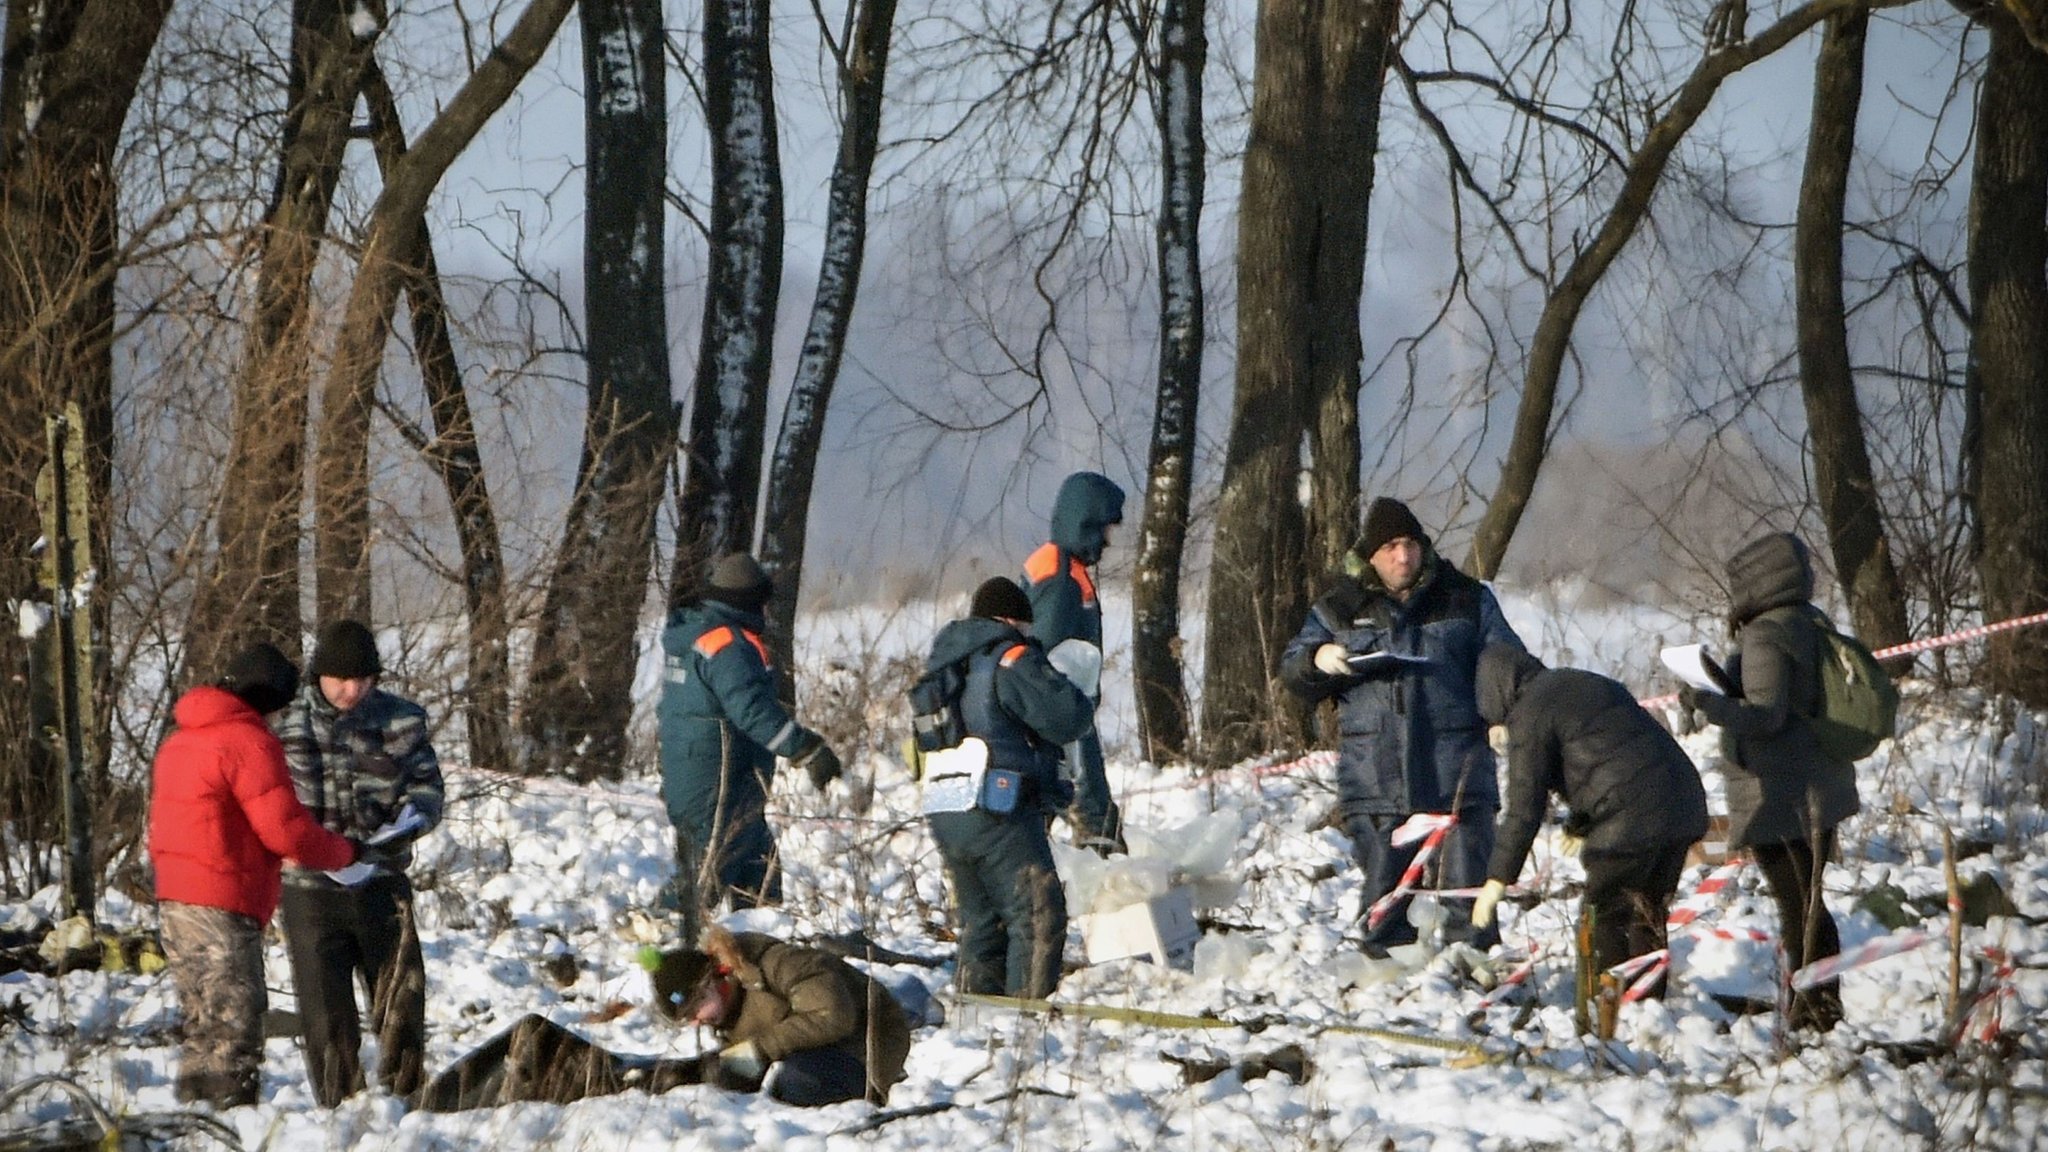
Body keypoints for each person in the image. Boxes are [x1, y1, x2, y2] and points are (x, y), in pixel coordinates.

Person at [1279, 497, 1527, 952]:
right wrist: (1319, 659)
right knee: (1385, 902)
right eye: (1391, 546)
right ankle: (1386, 977)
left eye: (1410, 544)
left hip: (1458, 769)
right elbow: (1292, 668)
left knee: (1469, 898)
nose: (1403, 556)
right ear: (1370, 554)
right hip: (1375, 772)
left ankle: (1472, 969)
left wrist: (1502, 711)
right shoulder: (1337, 608)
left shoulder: (1467, 597)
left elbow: (1505, 658)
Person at [149, 642, 359, 1109]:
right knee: (234, 1028)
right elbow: (286, 832)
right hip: (222, 901)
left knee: (203, 1028)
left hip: (175, 903)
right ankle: (228, 1125)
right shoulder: (246, 741)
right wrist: (345, 852)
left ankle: (196, 1125)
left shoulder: (180, 740)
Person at [1678, 531, 1858, 1031]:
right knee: (1807, 902)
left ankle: (1815, 1014)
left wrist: (1707, 703)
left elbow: (1765, 716)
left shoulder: (1764, 634)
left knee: (1798, 907)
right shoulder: (1807, 622)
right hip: (1816, 785)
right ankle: (1819, 1007)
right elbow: (1783, 701)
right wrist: (1722, 682)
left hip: (1780, 794)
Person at [1469, 645, 1709, 994]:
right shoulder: (1583, 682)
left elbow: (1525, 807)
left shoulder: (1528, 714)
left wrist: (1497, 878)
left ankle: (1605, 1008)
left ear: (1494, 695)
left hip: (1630, 817)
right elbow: (1605, 755)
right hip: (1683, 800)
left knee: (1604, 916)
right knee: (1646, 911)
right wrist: (1579, 825)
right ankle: (1646, 1006)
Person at [275, 619, 445, 1107]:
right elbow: (267, 806)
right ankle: (339, 1108)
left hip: (382, 882)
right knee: (326, 1013)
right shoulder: (284, 728)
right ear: (318, 676)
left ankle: (409, 1101)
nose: (353, 691)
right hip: (309, 888)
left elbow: (428, 789)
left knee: (401, 1001)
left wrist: (410, 821)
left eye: (365, 680)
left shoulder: (402, 720)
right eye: (341, 680)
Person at [920, 577, 1094, 998]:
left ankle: (975, 1019)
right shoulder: (1010, 657)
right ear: (1012, 620)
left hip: (945, 807)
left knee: (984, 924)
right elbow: (1068, 717)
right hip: (997, 804)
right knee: (1036, 914)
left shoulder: (944, 664)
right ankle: (1023, 1030)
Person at [658, 553, 842, 914]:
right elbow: (753, 712)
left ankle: (761, 938)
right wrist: (806, 749)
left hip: (704, 775)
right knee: (710, 872)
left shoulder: (696, 634)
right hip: (719, 781)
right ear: (751, 600)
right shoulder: (728, 644)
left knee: (759, 867)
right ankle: (663, 931)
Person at [646, 925, 912, 1107]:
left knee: (792, 1081)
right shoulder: (728, 1010)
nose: (697, 1021)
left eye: (696, 1009)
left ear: (713, 982)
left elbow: (832, 1016)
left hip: (866, 1050)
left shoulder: (778, 964)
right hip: (811, 1053)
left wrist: (759, 1049)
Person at [1020, 470, 1126, 854]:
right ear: (1088, 523)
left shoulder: (1061, 566)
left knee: (1031, 829)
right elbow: (1048, 660)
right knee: (1097, 826)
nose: (1109, 541)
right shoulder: (1061, 578)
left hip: (1052, 718)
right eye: (1106, 530)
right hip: (1062, 721)